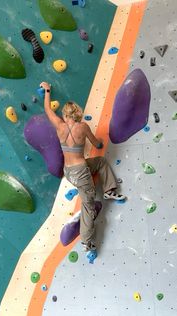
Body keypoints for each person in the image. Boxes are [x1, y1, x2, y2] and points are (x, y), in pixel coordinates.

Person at [40, 82, 125, 253]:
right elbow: (97, 143)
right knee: (88, 205)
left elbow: (48, 110)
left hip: (68, 172)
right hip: (81, 173)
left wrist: (47, 91)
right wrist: (101, 142)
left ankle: (109, 190)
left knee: (100, 162)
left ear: (64, 115)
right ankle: (87, 241)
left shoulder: (59, 126)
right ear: (77, 113)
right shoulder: (83, 127)